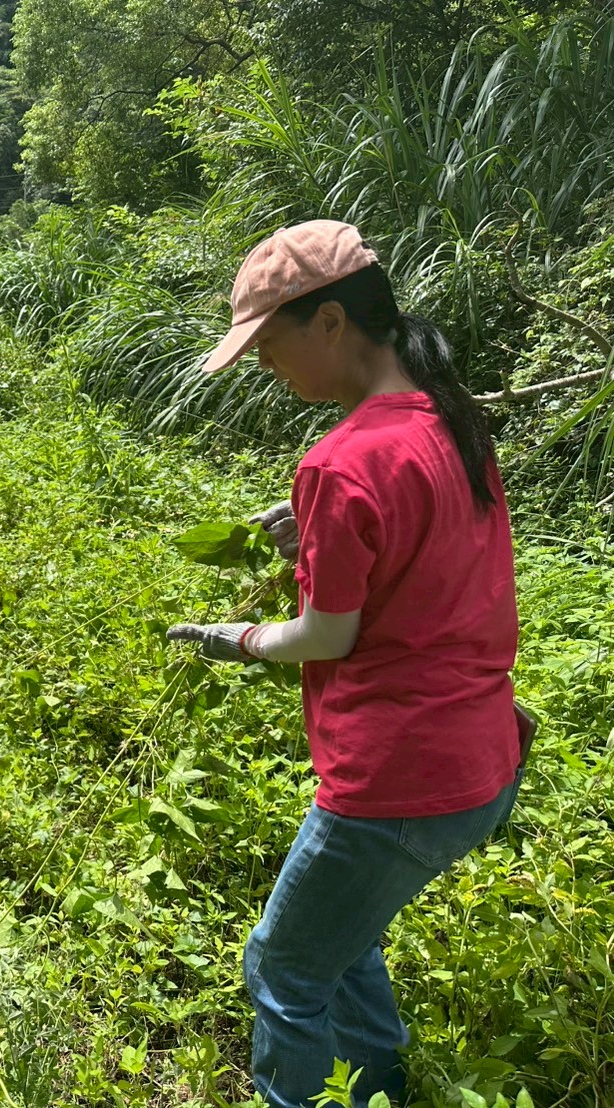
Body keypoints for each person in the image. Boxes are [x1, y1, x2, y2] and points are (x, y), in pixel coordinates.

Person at [164, 220, 522, 1107]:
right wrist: (316, 533)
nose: (264, 365)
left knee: (281, 968)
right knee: (343, 939)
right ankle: (375, 1090)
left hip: (396, 778)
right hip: (479, 757)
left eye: (268, 343)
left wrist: (235, 637)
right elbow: (417, 554)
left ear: (328, 322)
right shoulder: (450, 418)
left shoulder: (341, 458)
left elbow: (325, 636)